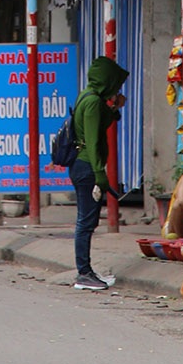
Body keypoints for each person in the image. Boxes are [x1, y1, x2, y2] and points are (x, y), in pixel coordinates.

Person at [68, 55, 127, 293]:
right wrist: (100, 174)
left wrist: (113, 108)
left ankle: (87, 272)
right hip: (86, 167)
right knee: (86, 221)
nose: (117, 89)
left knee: (87, 220)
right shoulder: (92, 103)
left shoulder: (88, 95)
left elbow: (102, 125)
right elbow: (92, 142)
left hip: (82, 165)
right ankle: (84, 273)